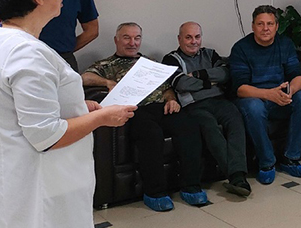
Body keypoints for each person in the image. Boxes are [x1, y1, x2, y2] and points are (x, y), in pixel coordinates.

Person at [0, 0, 134, 228]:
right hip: (42, 181)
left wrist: (79, 107)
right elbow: (46, 136)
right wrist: (102, 118)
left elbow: (19, 106)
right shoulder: (27, 54)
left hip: (16, 172)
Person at [82, 23, 209, 212]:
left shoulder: (150, 63)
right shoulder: (106, 64)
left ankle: (191, 187)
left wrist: (171, 99)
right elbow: (84, 77)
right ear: (116, 40)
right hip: (135, 110)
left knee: (189, 126)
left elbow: (166, 87)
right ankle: (155, 193)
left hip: (160, 107)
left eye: (137, 38)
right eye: (127, 38)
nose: (132, 43)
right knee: (151, 134)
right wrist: (107, 82)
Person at [161, 22, 251, 197]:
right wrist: (211, 81)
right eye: (188, 37)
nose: (193, 41)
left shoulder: (210, 54)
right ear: (179, 39)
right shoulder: (171, 59)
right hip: (193, 105)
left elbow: (225, 74)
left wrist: (198, 75)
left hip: (219, 101)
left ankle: (237, 176)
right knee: (210, 128)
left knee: (236, 121)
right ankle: (237, 177)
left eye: (197, 37)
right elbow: (181, 83)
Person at [229, 6, 301, 185]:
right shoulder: (241, 48)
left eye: (270, 24)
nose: (265, 28)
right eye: (260, 24)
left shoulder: (285, 44)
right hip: (254, 99)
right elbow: (240, 88)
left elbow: (298, 75)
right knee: (253, 106)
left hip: (280, 97)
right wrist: (269, 94)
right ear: (253, 26)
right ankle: (267, 163)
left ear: (276, 26)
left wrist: (289, 92)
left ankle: (290, 158)